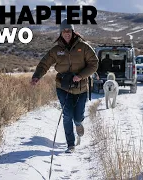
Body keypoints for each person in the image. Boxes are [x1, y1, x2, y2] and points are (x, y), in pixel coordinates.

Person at [30, 18, 98, 153]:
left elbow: (94, 63)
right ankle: (70, 145)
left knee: (77, 116)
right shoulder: (56, 50)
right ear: (61, 32)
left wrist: (81, 75)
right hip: (63, 87)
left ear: (73, 32)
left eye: (69, 31)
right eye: (64, 31)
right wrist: (36, 76)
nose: (66, 33)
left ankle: (78, 124)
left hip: (81, 87)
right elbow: (44, 64)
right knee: (67, 115)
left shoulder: (83, 47)